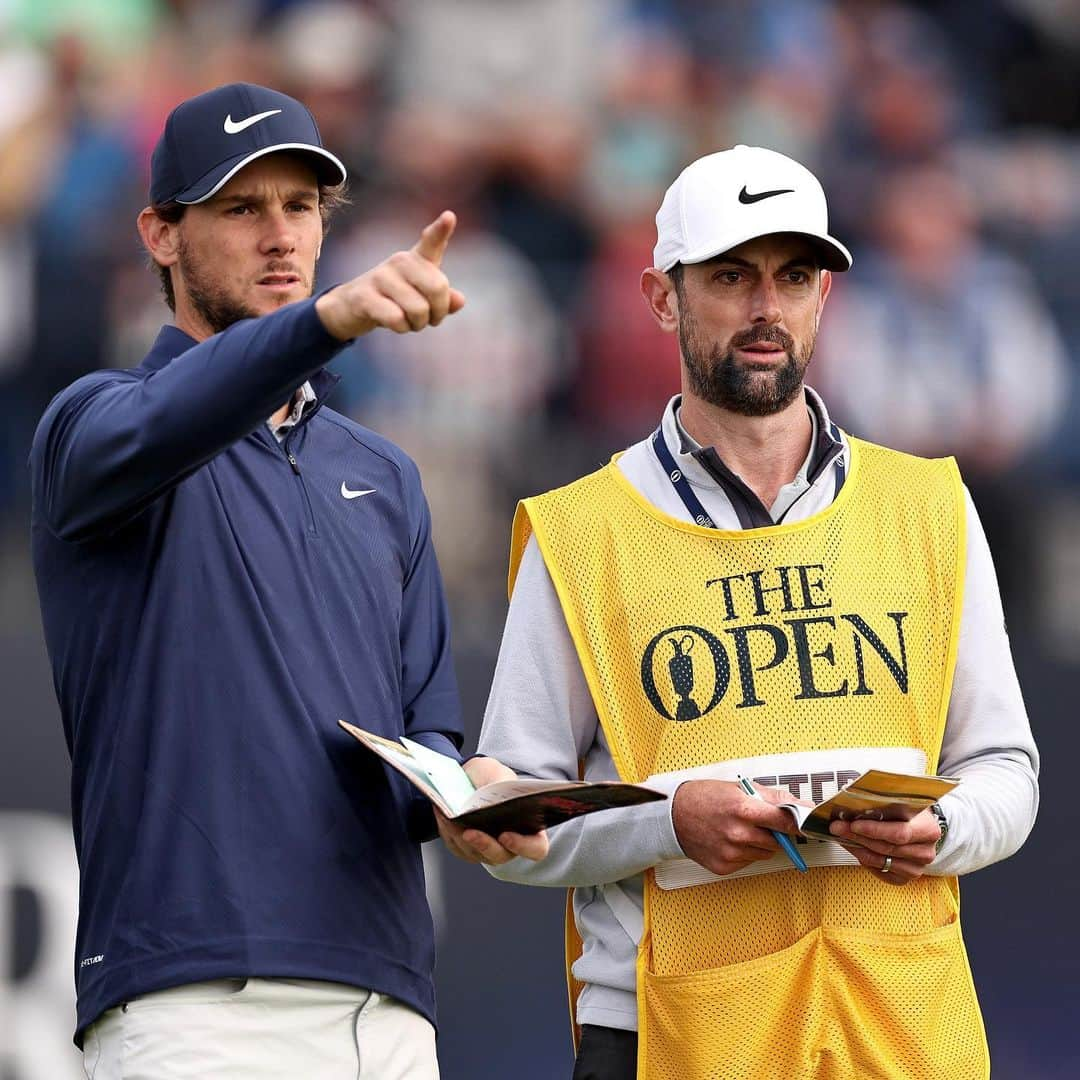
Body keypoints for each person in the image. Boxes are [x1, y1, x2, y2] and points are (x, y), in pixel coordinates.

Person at [478, 144, 1038, 1079]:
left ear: (825, 296)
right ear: (663, 298)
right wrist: (669, 821)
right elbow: (509, 825)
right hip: (668, 1032)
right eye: (732, 276)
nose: (766, 308)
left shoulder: (930, 505)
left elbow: (1005, 770)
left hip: (901, 1024)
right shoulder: (579, 533)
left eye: (794, 276)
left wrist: (943, 830)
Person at [29, 82, 545, 1080]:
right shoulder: (93, 424)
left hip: (387, 1003)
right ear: (161, 235)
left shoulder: (383, 474)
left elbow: (421, 734)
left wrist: (466, 796)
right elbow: (171, 419)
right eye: (239, 207)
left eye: (301, 207)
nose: (280, 237)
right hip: (192, 1003)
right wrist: (328, 323)